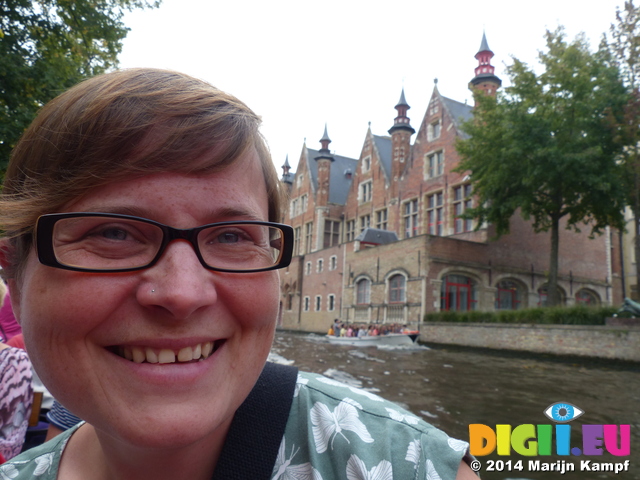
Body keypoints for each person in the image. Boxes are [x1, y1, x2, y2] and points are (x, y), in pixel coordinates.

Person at [0, 68, 477, 479]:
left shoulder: (399, 464)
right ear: (15, 278)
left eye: (231, 237)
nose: (182, 293)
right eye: (113, 234)